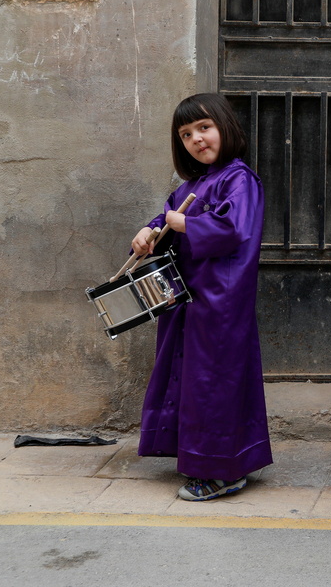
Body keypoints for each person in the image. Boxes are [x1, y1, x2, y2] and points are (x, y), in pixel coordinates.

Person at [130, 93, 273, 501]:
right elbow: (166, 222)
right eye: (186, 134)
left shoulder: (240, 179)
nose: (196, 139)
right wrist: (148, 233)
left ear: (225, 127)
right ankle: (202, 457)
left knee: (214, 383)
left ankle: (222, 472)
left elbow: (232, 229)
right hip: (188, 300)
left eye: (204, 127)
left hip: (221, 301)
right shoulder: (190, 186)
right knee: (191, 380)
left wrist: (184, 223)